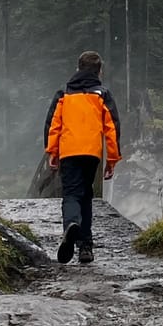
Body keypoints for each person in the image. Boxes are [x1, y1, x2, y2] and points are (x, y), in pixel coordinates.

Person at [44, 51, 124, 265]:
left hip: (69, 151)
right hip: (91, 153)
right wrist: (112, 159)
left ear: (77, 69)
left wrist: (52, 151)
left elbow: (53, 124)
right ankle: (85, 247)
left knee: (71, 194)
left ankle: (71, 224)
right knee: (86, 195)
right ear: (99, 71)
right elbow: (112, 128)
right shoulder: (102, 94)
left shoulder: (64, 93)